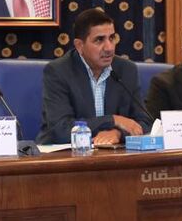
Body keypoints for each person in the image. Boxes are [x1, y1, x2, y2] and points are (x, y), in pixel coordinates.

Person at [36, 8, 152, 145]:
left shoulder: (126, 70)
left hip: (111, 154)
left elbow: (145, 122)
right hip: (64, 153)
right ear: (79, 45)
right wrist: (113, 120)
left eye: (112, 38)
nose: (109, 48)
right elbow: (61, 129)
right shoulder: (58, 72)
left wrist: (118, 133)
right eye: (99, 40)